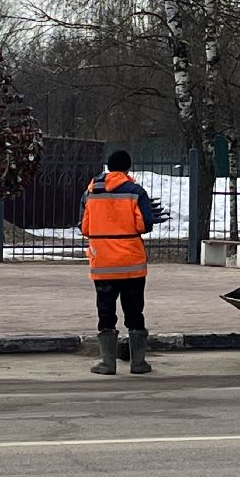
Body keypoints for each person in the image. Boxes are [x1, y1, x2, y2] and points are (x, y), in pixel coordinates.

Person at [80, 150, 163, 375]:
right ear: (128, 167)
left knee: (105, 312)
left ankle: (107, 363)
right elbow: (145, 224)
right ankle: (138, 363)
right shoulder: (135, 192)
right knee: (134, 311)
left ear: (108, 166)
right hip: (131, 263)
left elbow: (85, 227)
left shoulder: (91, 191)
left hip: (102, 262)